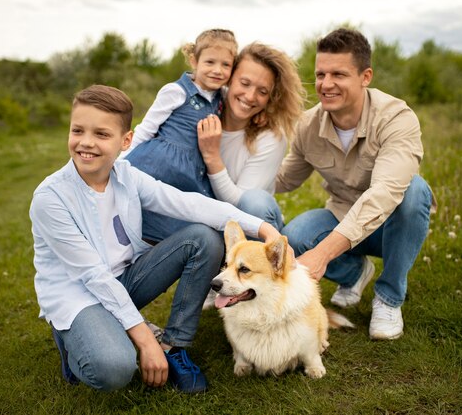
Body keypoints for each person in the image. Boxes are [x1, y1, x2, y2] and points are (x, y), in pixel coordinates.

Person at [29, 85, 282, 394]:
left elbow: (188, 204)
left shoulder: (126, 175)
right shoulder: (50, 198)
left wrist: (262, 227)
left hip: (127, 279)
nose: (86, 143)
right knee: (114, 369)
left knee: (203, 239)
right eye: (78, 130)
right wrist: (144, 339)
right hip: (80, 295)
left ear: (126, 141)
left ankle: (174, 346)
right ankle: (74, 341)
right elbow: (92, 276)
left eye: (101, 134)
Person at [275, 28, 436, 341]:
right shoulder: (308, 124)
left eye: (339, 74)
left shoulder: (396, 118)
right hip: (343, 215)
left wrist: (322, 254)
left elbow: (384, 195)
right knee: (294, 236)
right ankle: (355, 273)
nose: (326, 84)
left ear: (365, 77)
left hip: (391, 225)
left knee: (415, 191)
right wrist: (224, 166)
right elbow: (285, 178)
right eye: (321, 74)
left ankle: (389, 298)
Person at [123, 29, 238, 242]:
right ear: (194, 61)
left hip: (191, 170)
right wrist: (119, 161)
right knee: (147, 207)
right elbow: (146, 129)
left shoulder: (221, 96)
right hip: (160, 164)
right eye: (210, 62)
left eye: (226, 65)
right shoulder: (176, 92)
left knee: (190, 215)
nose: (217, 70)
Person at [197, 42, 305, 232]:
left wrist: (212, 156)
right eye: (244, 83)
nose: (250, 96)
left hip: (250, 228)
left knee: (255, 201)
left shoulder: (271, 138)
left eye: (262, 92)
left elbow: (241, 205)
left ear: (271, 97)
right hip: (202, 222)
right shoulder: (203, 107)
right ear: (230, 79)